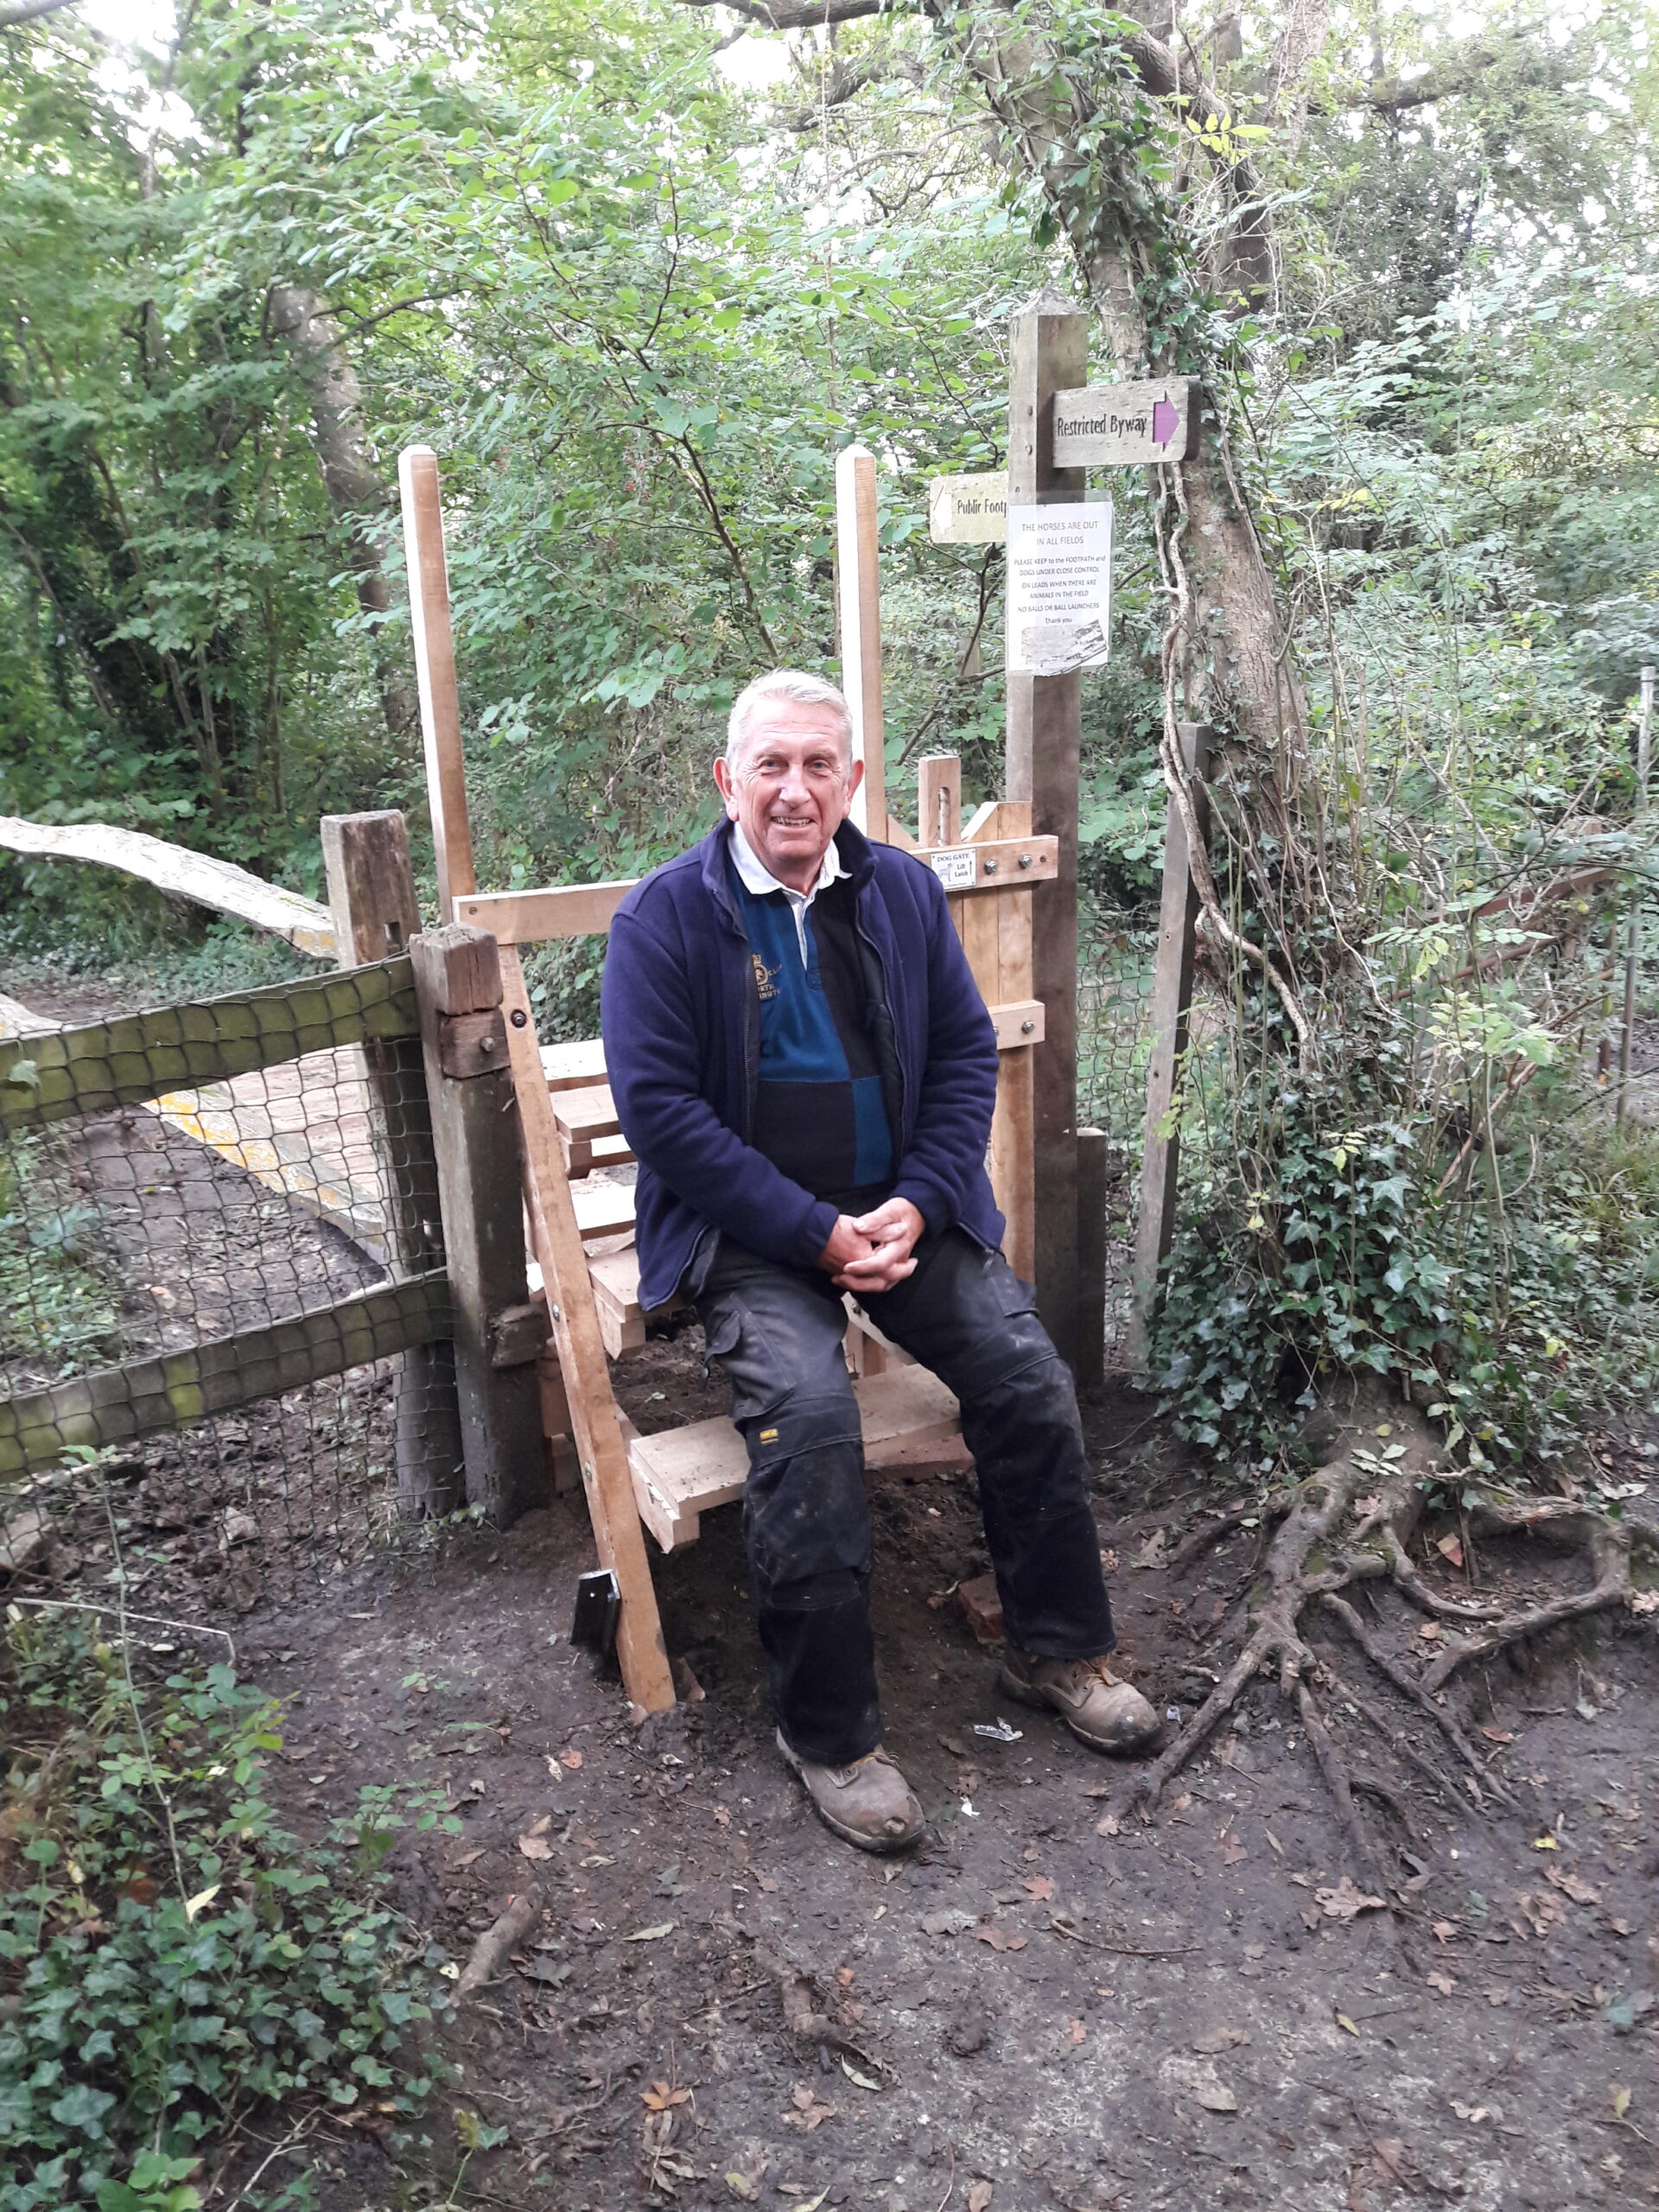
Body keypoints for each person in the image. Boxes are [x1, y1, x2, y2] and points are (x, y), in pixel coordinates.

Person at [601, 670, 1158, 1853]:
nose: (795, 790)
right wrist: (811, 1230)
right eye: (771, 765)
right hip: (757, 1241)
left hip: (901, 1220)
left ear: (853, 780)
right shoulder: (664, 920)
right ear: (727, 780)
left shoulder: (900, 892)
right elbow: (661, 1114)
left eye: (818, 765)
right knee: (805, 1421)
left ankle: (1059, 1652)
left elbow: (961, 1059)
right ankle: (831, 1735)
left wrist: (915, 1200)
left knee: (1025, 1374)